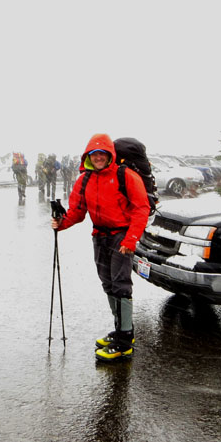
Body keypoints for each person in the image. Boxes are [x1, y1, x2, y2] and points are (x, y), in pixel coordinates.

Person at [51, 133, 150, 362]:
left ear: (109, 155)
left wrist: (130, 240)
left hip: (121, 236)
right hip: (100, 236)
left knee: (121, 284)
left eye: (102, 154)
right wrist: (61, 223)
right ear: (88, 156)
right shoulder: (85, 179)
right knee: (108, 283)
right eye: (94, 155)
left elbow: (141, 208)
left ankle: (125, 342)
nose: (98, 158)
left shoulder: (126, 176)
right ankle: (121, 329)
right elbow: (77, 211)